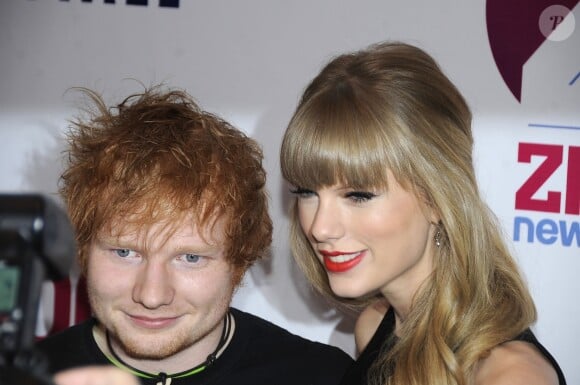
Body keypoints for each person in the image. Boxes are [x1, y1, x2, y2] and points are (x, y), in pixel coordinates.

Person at [280, 42, 567, 385]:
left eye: (358, 195)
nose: (320, 228)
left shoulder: (510, 376)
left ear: (436, 198)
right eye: (307, 191)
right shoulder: (373, 327)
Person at [37, 85, 353, 385]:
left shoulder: (323, 377)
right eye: (125, 252)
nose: (151, 296)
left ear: (240, 262)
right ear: (82, 250)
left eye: (190, 258)